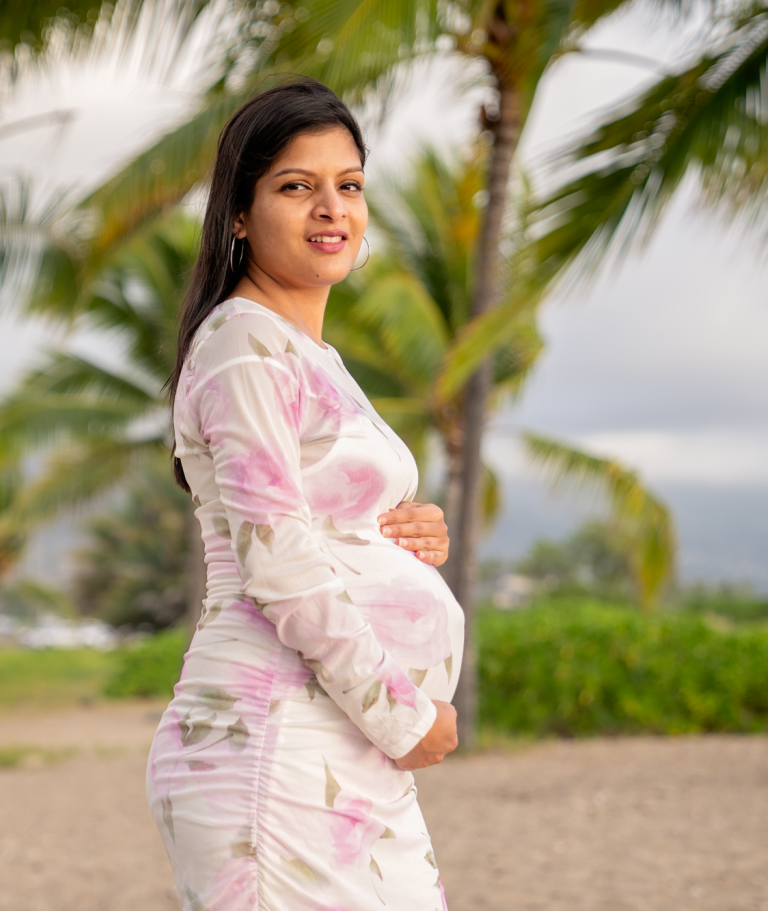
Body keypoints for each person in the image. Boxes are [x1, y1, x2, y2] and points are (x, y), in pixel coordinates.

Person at [147, 78, 463, 911]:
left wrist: (398, 533)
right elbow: (278, 563)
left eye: (348, 185)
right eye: (297, 185)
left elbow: (311, 519)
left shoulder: (303, 351)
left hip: (331, 746)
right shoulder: (244, 346)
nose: (331, 207)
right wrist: (402, 716)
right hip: (274, 740)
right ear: (239, 216)